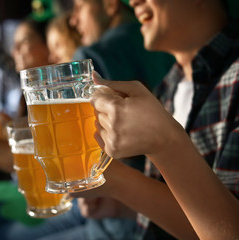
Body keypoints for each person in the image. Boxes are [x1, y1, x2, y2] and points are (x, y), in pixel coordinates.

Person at [72, 0, 239, 239]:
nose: (133, 1)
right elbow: (196, 219)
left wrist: (164, 145)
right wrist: (121, 204)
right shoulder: (170, 85)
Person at [70, 0, 174, 90]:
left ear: (110, 4)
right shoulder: (173, 41)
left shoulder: (90, 57)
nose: (73, 21)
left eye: (79, 7)